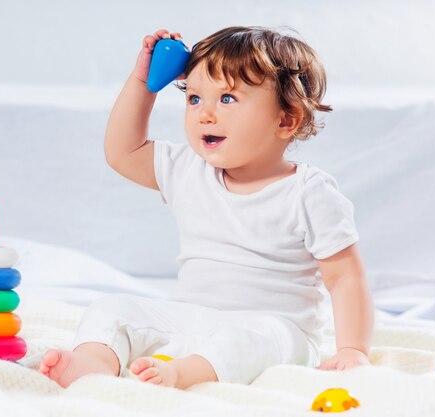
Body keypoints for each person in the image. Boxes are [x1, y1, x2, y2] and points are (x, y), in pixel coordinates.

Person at [39, 26, 374, 389]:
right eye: (195, 98)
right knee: (110, 309)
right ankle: (94, 363)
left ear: (285, 119)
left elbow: (345, 278)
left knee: (252, 338)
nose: (204, 114)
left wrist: (352, 349)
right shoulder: (189, 169)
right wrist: (143, 81)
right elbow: (122, 151)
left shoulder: (309, 192)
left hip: (277, 333)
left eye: (227, 99)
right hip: (194, 321)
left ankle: (180, 376)